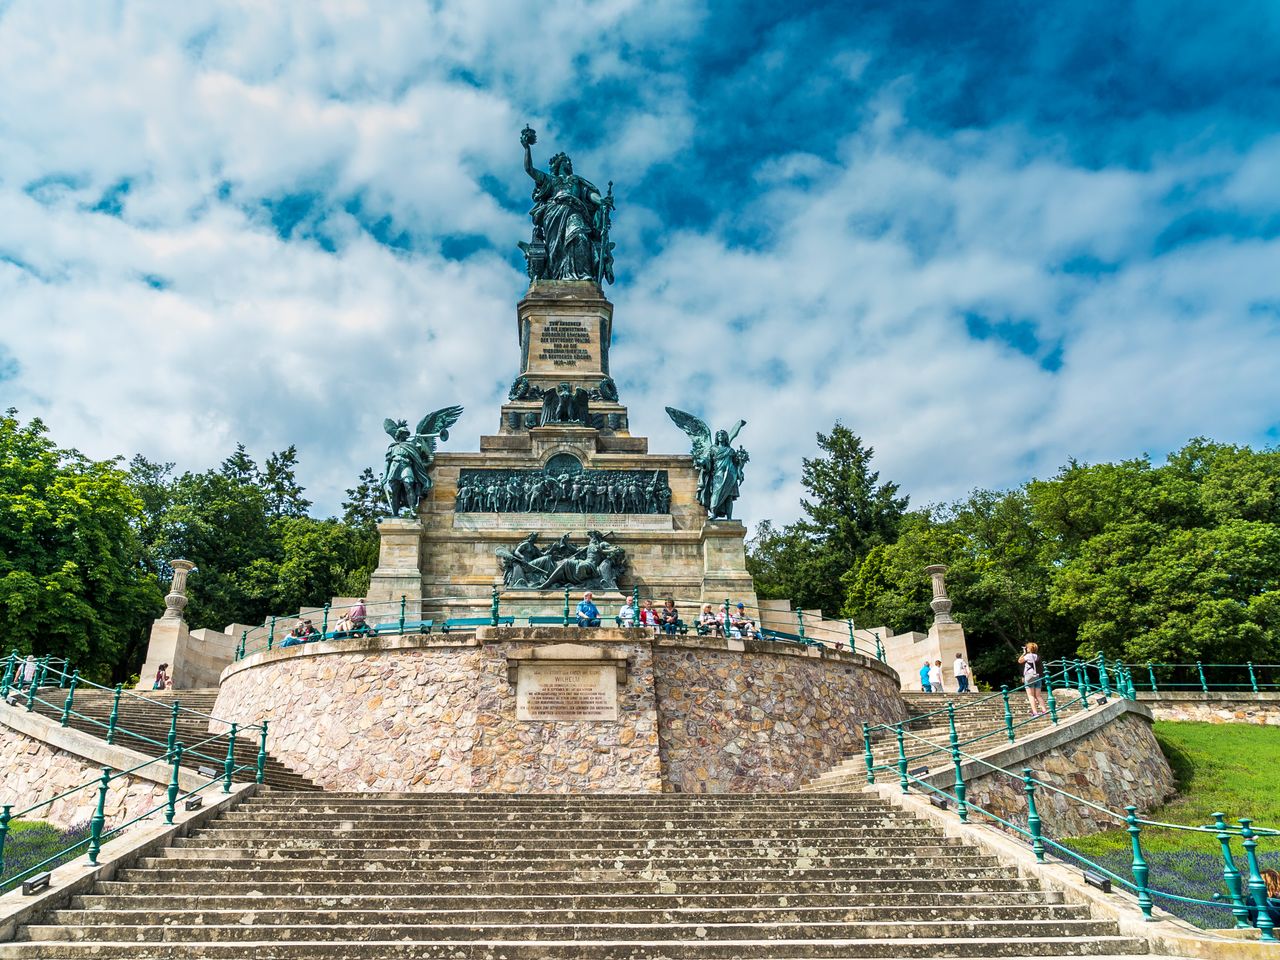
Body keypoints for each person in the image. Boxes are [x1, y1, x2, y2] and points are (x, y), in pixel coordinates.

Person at [1019, 642, 1048, 715]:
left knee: (1031, 695)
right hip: (1038, 676)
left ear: (1029, 649)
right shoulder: (1037, 656)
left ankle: (1035, 712)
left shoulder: (1028, 656)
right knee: (1038, 695)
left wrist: (1024, 653)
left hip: (1030, 677)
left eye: (1027, 647)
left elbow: (1019, 661)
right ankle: (1044, 711)